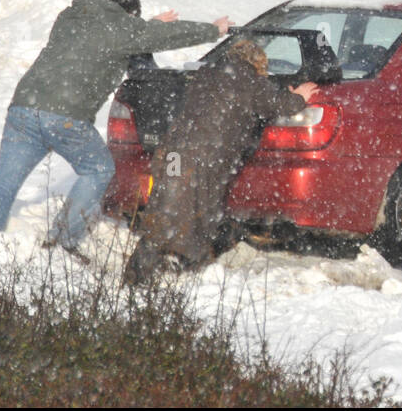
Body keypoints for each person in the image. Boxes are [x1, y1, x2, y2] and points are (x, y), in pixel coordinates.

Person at [0, 0, 230, 249]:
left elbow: (112, 36)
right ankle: (63, 241)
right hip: (65, 116)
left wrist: (145, 27)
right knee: (98, 170)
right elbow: (157, 36)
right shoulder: (120, 30)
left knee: (3, 183)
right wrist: (213, 30)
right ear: (128, 15)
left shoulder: (71, 17)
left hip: (24, 109)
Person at [123, 36, 316, 285]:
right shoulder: (249, 82)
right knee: (197, 211)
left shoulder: (207, 75)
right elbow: (277, 104)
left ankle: (139, 271)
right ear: (257, 64)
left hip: (172, 151)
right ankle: (183, 266)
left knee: (165, 204)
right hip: (202, 158)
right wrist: (299, 96)